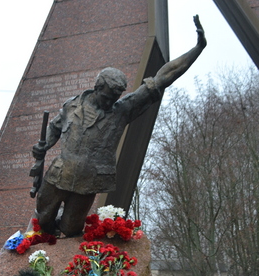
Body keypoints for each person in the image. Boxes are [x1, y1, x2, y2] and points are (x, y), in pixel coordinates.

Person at [31, 16, 207, 237]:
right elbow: (55, 128)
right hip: (59, 174)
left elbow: (164, 77)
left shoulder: (121, 110)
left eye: (115, 97)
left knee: (70, 230)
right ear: (97, 87)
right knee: (43, 219)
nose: (110, 102)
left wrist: (197, 48)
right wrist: (44, 146)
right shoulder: (71, 106)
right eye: (107, 96)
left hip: (88, 181)